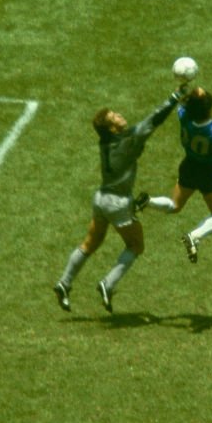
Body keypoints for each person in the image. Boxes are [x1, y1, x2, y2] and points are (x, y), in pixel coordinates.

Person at [53, 84, 187, 313]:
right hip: (118, 202)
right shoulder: (128, 140)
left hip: (100, 198)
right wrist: (175, 97)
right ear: (112, 128)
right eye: (114, 116)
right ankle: (108, 283)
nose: (120, 115)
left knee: (90, 243)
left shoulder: (105, 141)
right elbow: (153, 120)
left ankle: (64, 283)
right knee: (136, 245)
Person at [137, 87, 212, 264]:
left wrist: (184, 89)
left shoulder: (184, 116)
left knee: (174, 205)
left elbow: (184, 105)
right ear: (209, 109)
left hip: (188, 166)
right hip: (207, 173)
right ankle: (194, 236)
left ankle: (148, 201)